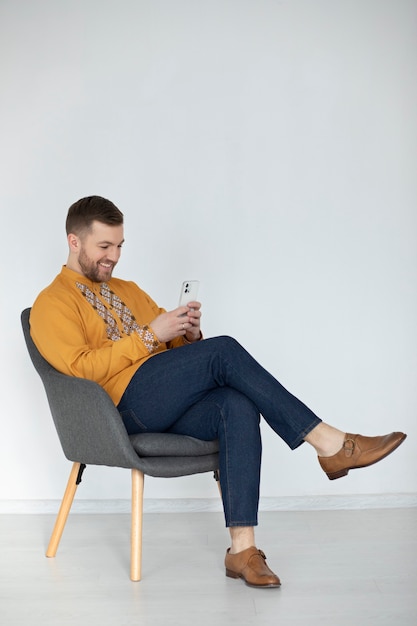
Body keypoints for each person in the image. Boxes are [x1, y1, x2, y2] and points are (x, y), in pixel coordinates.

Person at [30, 195, 407, 589]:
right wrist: (149, 335)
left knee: (236, 403)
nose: (114, 256)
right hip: (116, 411)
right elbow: (81, 370)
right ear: (74, 242)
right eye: (104, 247)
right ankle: (329, 442)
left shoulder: (127, 289)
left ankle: (243, 550)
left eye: (120, 245)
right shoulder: (52, 302)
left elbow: (171, 355)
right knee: (223, 351)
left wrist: (187, 335)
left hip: (162, 400)